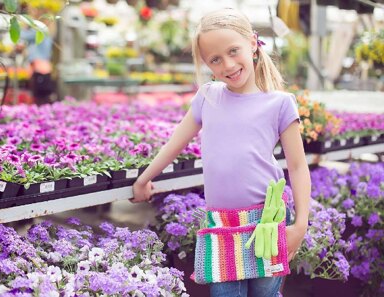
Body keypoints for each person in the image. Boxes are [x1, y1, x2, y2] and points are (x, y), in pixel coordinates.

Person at [131, 8, 310, 297]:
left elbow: (298, 167)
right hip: (221, 223)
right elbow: (175, 144)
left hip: (267, 220)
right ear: (207, 64)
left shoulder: (280, 103)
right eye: (215, 59)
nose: (227, 64)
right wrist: (144, 179)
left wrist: (300, 225)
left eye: (233, 51)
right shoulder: (207, 97)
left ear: (252, 43)